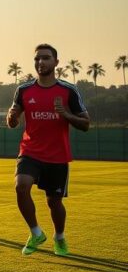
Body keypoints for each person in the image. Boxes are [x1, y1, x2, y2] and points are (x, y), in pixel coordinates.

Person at [7, 44, 89, 256]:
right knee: (21, 186)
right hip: (30, 151)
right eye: (37, 59)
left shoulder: (68, 91)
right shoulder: (23, 90)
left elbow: (85, 124)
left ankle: (59, 237)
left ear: (56, 62)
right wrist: (12, 117)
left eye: (45, 58)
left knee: (54, 202)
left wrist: (66, 115)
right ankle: (35, 232)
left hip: (57, 155)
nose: (40, 62)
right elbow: (13, 123)